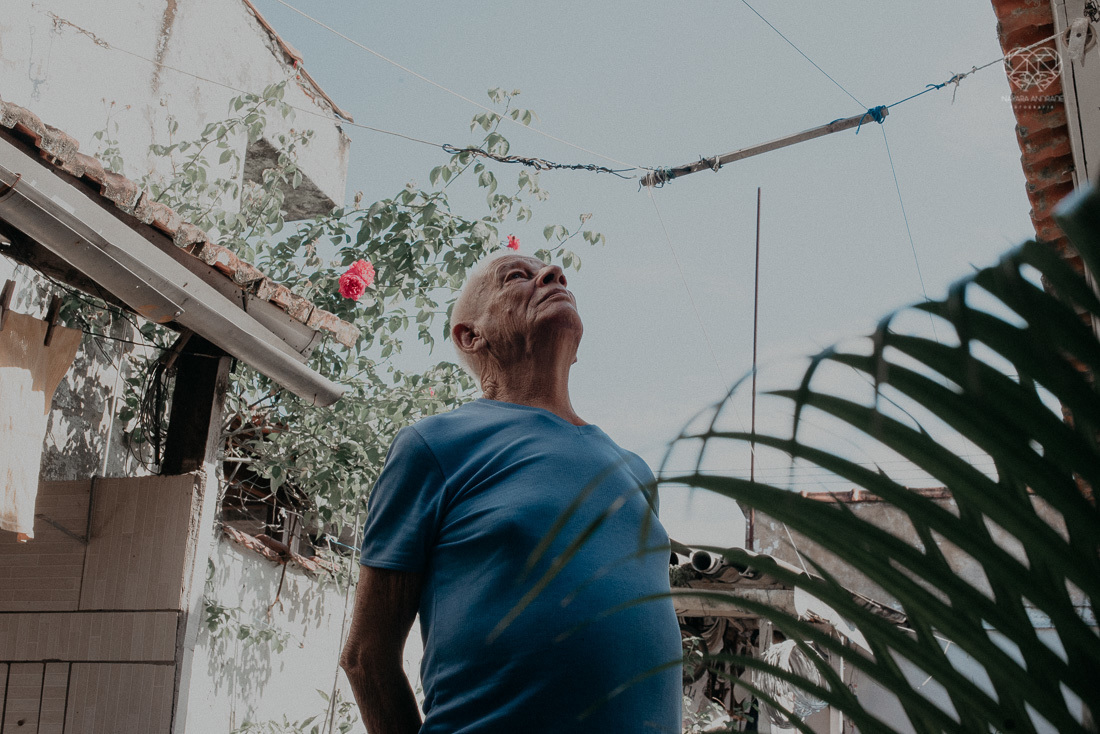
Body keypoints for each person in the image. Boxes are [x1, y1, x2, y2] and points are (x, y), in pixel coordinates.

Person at [340, 253, 683, 733]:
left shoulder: (635, 471)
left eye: (555, 273)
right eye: (517, 276)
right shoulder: (434, 447)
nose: (553, 275)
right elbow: (366, 657)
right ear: (470, 335)